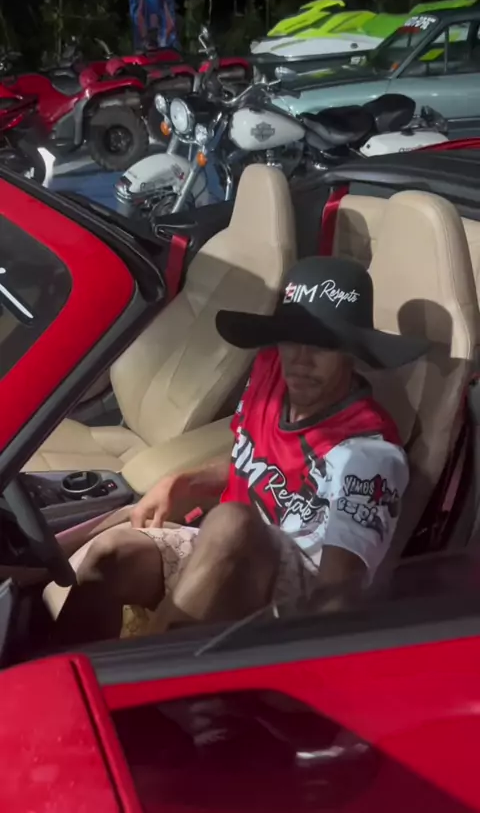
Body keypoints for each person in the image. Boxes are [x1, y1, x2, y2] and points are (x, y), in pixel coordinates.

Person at [49, 256, 428, 644]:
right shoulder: (272, 375)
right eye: (291, 338)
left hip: (292, 601)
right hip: (221, 548)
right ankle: (60, 667)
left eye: (322, 345)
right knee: (111, 553)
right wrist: (183, 482)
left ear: (350, 352)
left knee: (233, 521)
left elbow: (338, 592)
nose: (300, 359)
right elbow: (247, 459)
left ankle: (151, 668)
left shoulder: (366, 456)